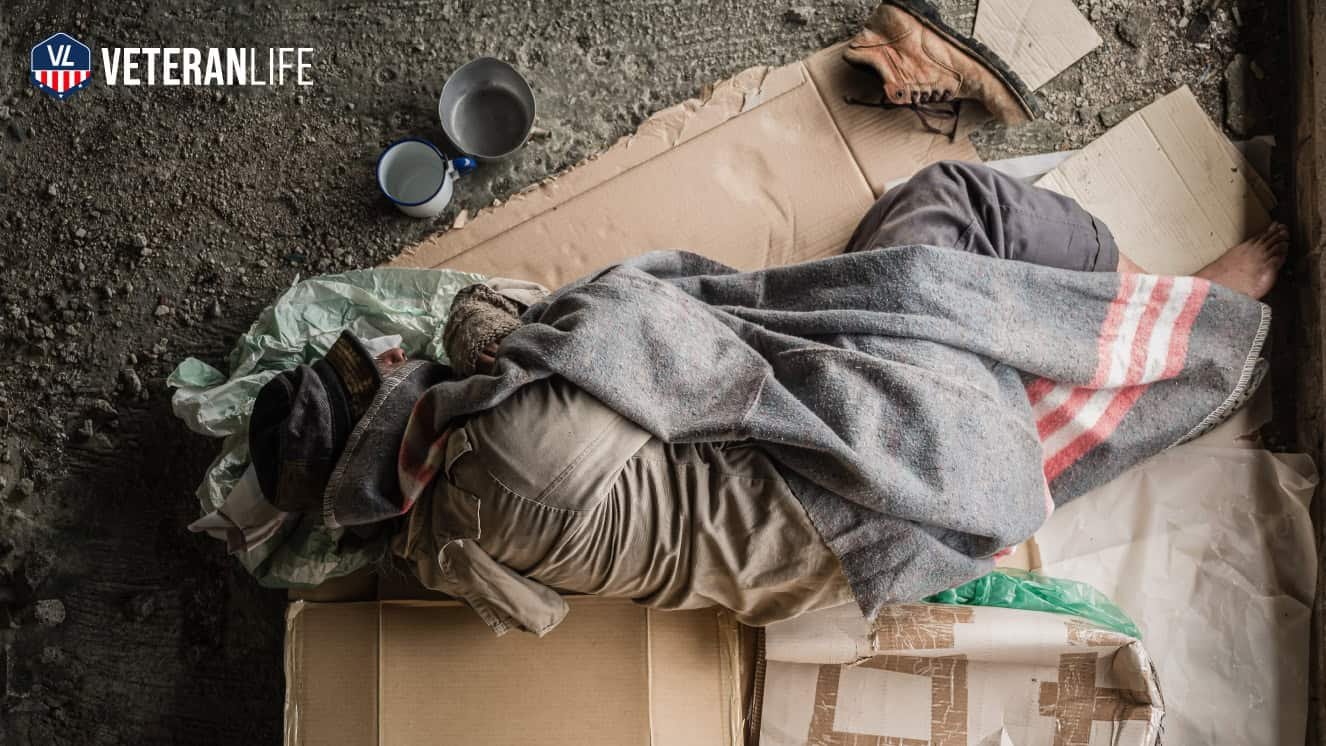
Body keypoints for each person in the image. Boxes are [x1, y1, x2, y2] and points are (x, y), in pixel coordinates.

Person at [388, 159, 1285, 637]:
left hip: (853, 569)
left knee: (915, 313)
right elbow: (650, 320)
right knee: (948, 206)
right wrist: (498, 329)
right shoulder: (514, 433)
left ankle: (1034, 370)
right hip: (884, 470)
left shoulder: (440, 550)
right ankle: (1173, 316)